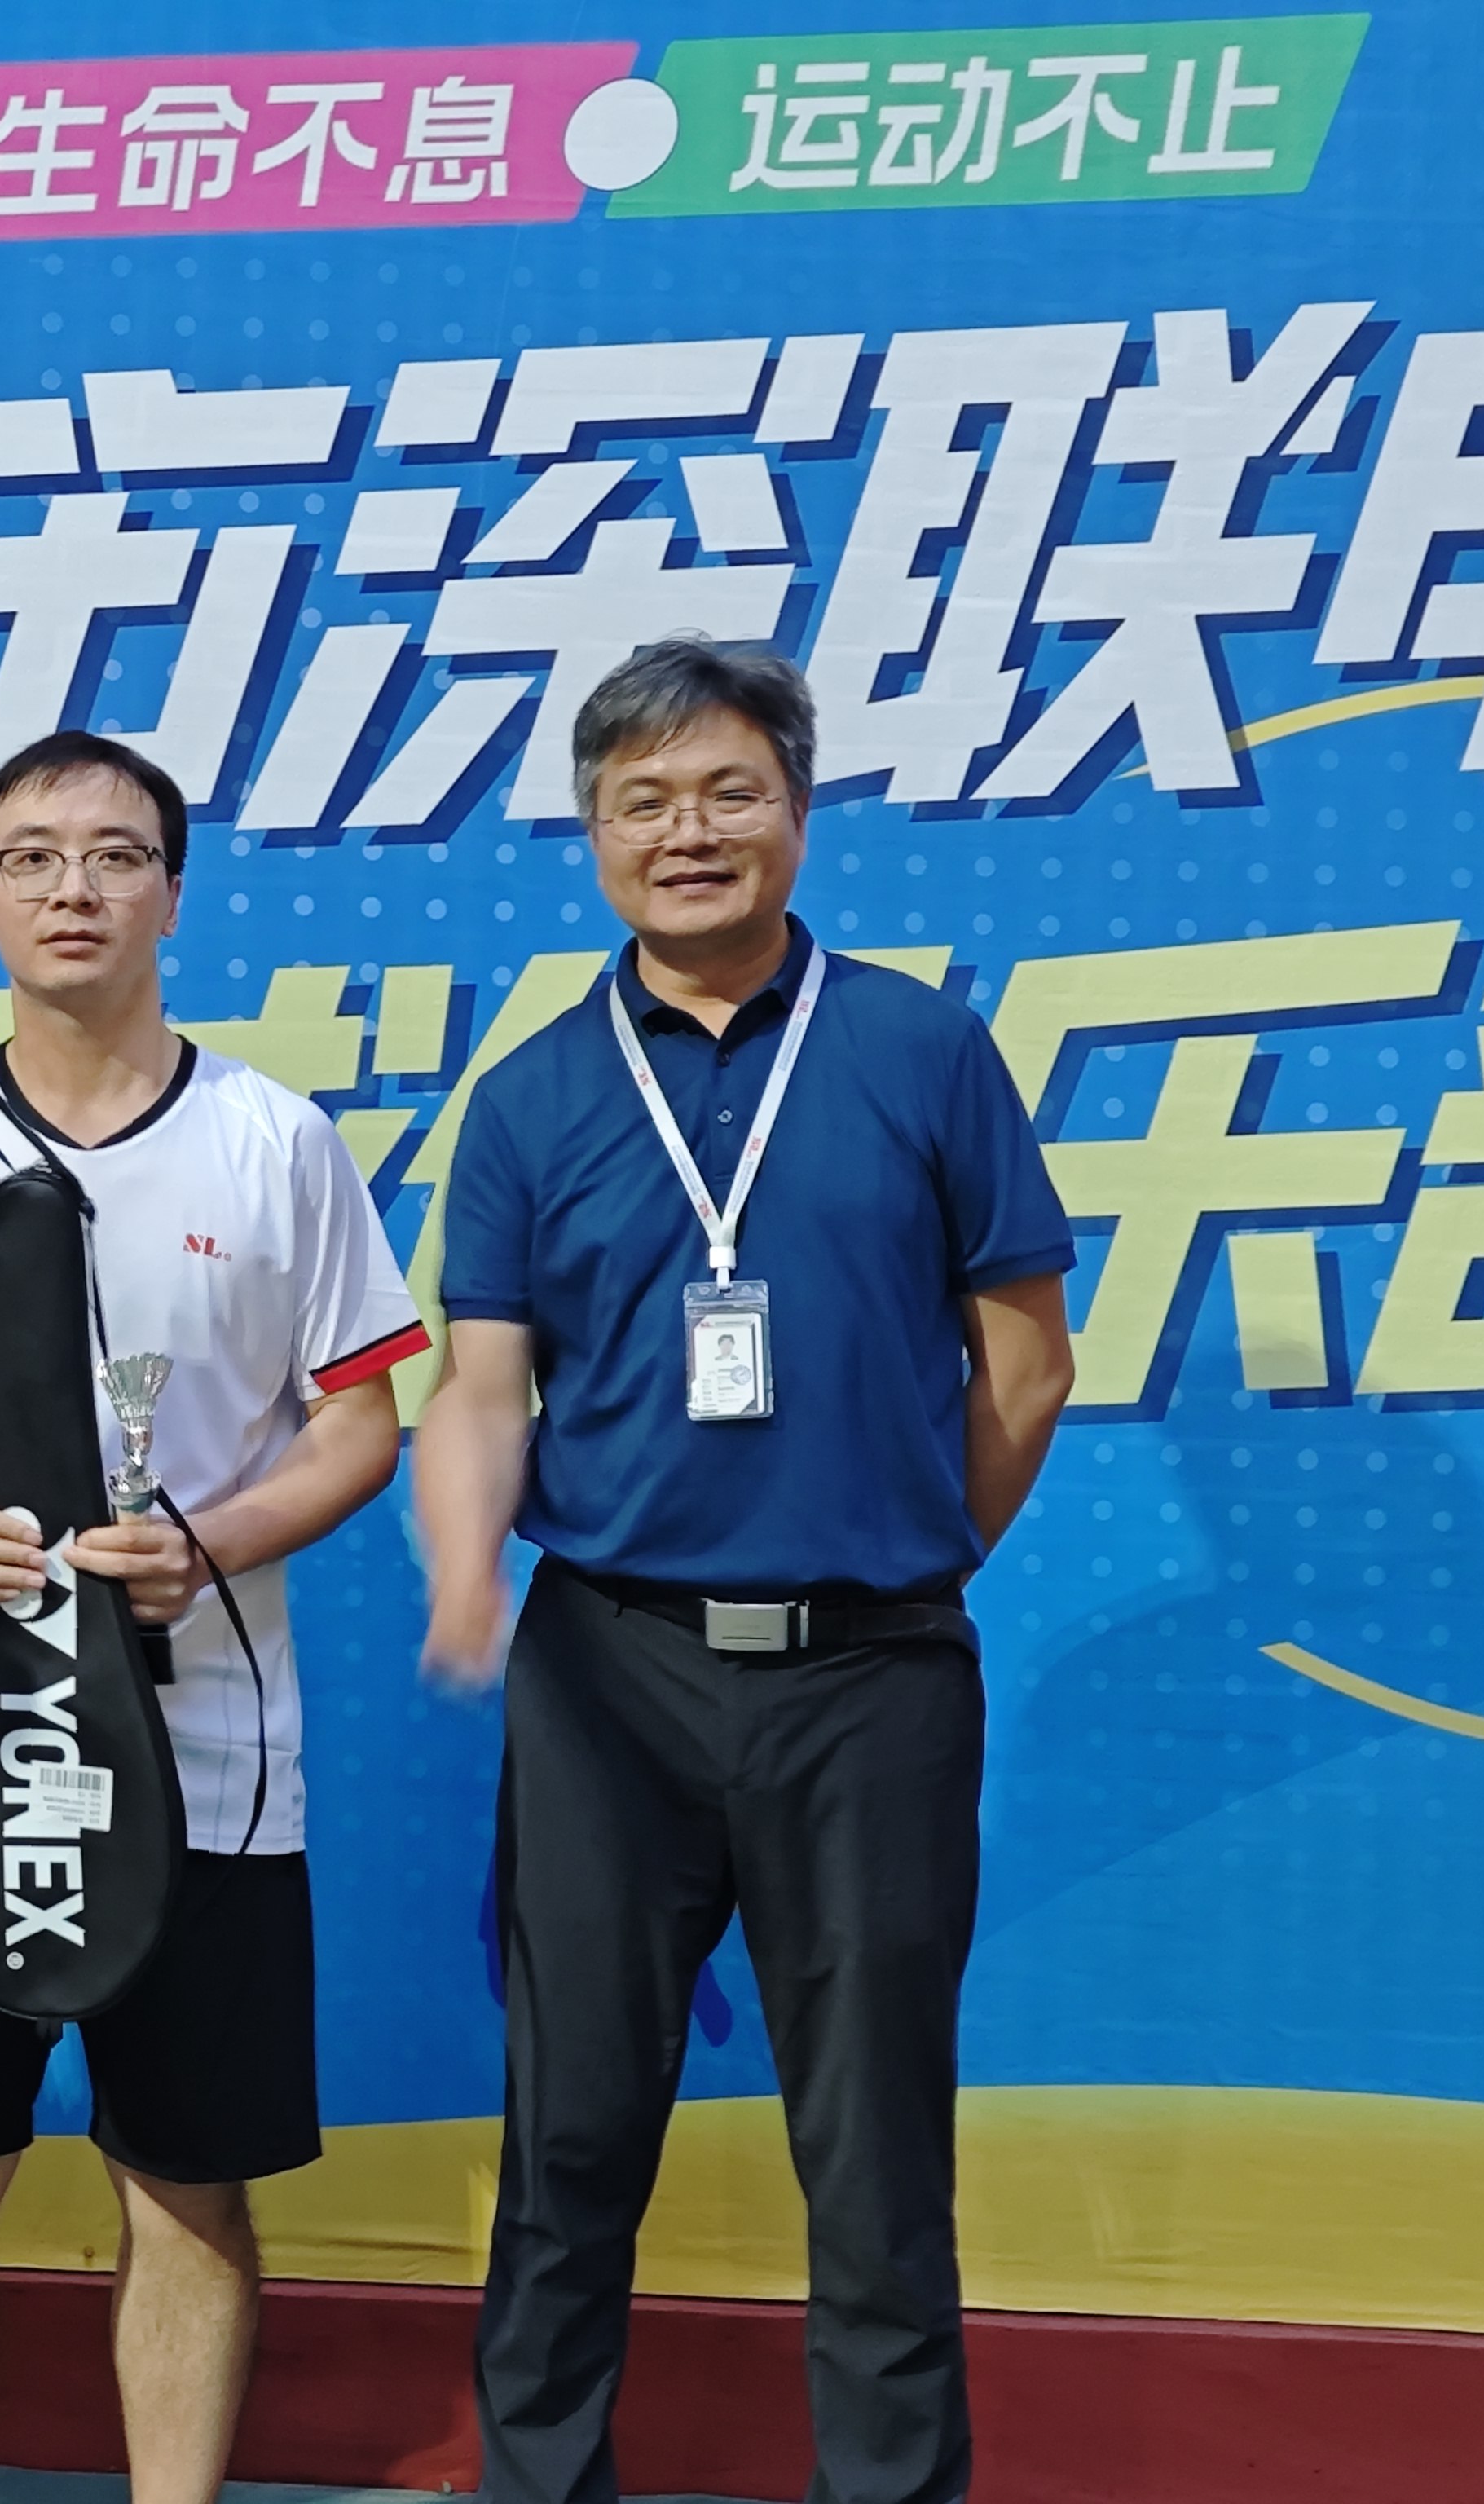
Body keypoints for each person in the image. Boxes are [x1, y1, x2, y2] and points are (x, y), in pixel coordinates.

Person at [413, 638, 1077, 2504]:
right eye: (642, 800)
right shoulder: (530, 1095)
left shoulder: (921, 1049)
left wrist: (898, 1557)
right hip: (605, 1674)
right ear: (591, 833)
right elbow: (480, 1384)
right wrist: (464, 1567)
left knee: (874, 2163)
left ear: (797, 810)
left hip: (873, 1685)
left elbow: (1025, 1362)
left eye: (727, 790)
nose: (686, 831)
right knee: (567, 2142)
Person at [0, 728, 425, 2504]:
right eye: (31, 857)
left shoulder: (273, 1141)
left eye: (113, 855)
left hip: (204, 1749)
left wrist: (209, 1543)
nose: (71, 889)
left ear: (171, 891)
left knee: (186, 2181)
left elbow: (360, 1420)